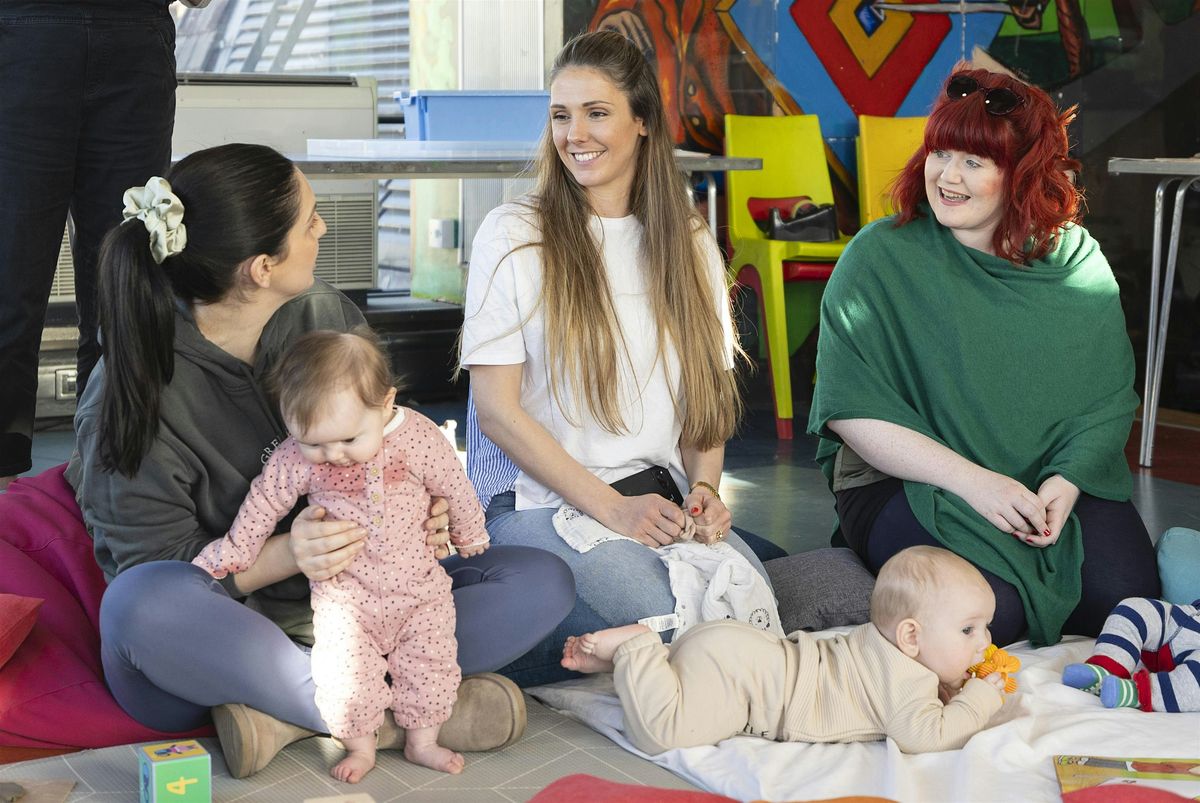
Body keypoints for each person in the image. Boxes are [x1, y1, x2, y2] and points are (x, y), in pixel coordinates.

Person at [65, 143, 575, 779]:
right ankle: (379, 715)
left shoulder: (321, 315)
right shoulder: (131, 384)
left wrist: (427, 510)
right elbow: (150, 569)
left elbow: (386, 431)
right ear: (260, 267)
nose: (323, 228)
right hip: (231, 631)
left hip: (368, 611)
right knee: (139, 608)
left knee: (541, 579)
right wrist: (286, 555)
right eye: (308, 219)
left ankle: (285, 719)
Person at [807, 66, 1160, 648]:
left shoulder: (1076, 262)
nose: (947, 176)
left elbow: (1107, 401)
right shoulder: (879, 256)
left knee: (1124, 606)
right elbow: (850, 409)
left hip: (1044, 477)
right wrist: (978, 485)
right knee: (987, 615)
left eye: (974, 162)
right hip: (907, 478)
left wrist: (1066, 484)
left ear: (1021, 175)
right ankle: (837, 579)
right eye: (940, 153)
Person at [459, 29, 771, 686]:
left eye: (596, 112)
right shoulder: (515, 233)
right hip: (535, 504)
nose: (575, 133)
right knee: (677, 619)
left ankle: (568, 645)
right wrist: (609, 507)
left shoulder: (686, 240)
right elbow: (496, 412)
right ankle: (439, 656)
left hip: (651, 500)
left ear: (644, 123)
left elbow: (703, 412)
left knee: (752, 613)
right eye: (560, 114)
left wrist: (707, 488)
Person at [193, 329, 490, 781]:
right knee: (345, 678)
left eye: (348, 440)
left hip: (420, 593)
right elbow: (264, 501)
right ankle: (359, 747)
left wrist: (469, 533)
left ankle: (422, 740)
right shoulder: (298, 457)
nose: (332, 456)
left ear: (386, 404)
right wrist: (236, 550)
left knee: (431, 663)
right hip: (346, 600)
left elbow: (455, 485)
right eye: (314, 444)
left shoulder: (417, 438)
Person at [0, 0, 194, 489]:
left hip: (131, 34)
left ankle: (107, 497)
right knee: (10, 288)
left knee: (124, 286)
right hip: (24, 28)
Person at [561, 546, 1008, 755]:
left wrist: (949, 685)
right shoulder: (908, 677)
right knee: (661, 733)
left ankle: (655, 661)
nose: (985, 642)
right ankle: (637, 648)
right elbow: (926, 735)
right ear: (910, 637)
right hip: (750, 685)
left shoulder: (880, 642)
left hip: (739, 651)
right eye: (969, 630)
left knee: (683, 691)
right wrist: (979, 698)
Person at [1062, 596, 1200, 712]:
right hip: (1180, 619)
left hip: (1194, 654)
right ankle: (1108, 666)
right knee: (1134, 608)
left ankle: (1136, 692)